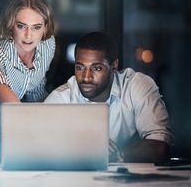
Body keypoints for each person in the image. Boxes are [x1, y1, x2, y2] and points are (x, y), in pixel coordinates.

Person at [45, 31, 173, 163]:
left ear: (114, 66)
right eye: (80, 68)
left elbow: (160, 146)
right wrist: (81, 149)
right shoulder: (60, 99)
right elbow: (38, 148)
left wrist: (116, 155)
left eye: (96, 68)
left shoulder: (136, 86)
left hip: (130, 181)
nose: (86, 77)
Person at [0, 0, 56, 104]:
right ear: (11, 24)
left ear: (45, 27)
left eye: (36, 27)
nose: (28, 35)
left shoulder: (47, 44)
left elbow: (36, 90)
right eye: (21, 26)